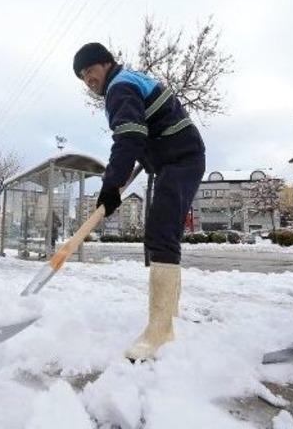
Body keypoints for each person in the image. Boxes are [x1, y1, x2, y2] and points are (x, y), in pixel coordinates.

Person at [73, 42, 206, 361]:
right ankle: (168, 315)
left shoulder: (119, 88)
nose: (88, 80)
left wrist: (110, 185)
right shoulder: (127, 81)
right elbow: (144, 132)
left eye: (90, 70)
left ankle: (160, 331)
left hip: (181, 160)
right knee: (163, 234)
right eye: (82, 77)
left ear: (106, 64)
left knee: (161, 234)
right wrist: (139, 164)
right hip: (175, 160)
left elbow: (130, 137)